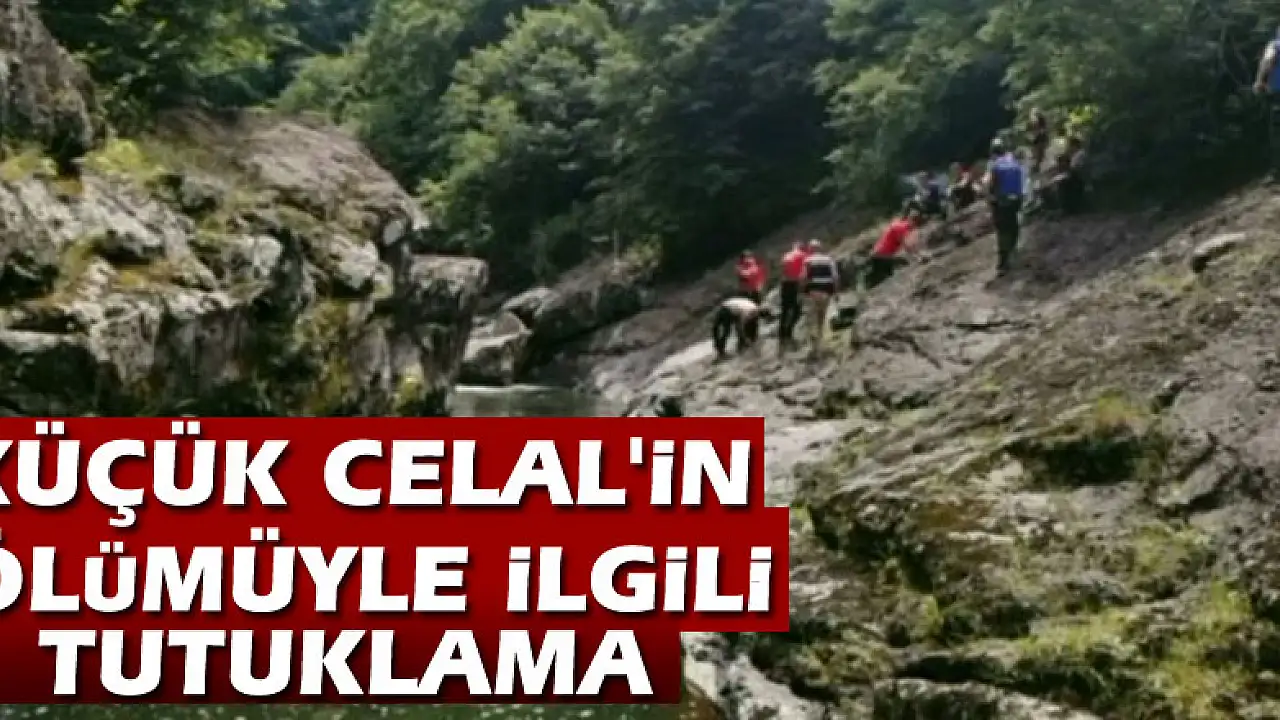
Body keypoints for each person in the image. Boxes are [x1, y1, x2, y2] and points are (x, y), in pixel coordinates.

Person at [983, 138, 1026, 277]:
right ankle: (1014, 252)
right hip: (1017, 199)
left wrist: (989, 199)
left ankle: (1003, 262)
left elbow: (987, 183)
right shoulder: (1014, 161)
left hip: (1002, 201)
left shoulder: (994, 164)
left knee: (1002, 231)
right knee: (1013, 226)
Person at [863, 209, 922, 292]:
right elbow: (906, 246)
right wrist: (918, 257)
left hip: (878, 254)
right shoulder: (902, 228)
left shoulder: (900, 224)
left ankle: (867, 287)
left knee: (882, 277)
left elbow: (910, 245)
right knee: (900, 266)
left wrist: (918, 254)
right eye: (915, 224)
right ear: (912, 221)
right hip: (882, 255)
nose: (914, 227)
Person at [801, 239, 838, 353]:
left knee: (812, 316)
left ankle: (814, 343)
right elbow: (835, 277)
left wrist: (802, 291)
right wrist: (836, 292)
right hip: (826, 290)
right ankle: (822, 339)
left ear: (810, 249)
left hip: (813, 290)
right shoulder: (829, 260)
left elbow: (804, 277)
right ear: (820, 248)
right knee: (823, 314)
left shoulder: (808, 260)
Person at [1256, 26, 1280, 181]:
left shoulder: (1275, 45)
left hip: (1278, 92)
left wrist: (1260, 81)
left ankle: (1277, 171)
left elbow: (1268, 61)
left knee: (1277, 133)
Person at [1043, 135, 1087, 214]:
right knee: (1051, 181)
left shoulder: (1080, 154)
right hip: (1071, 174)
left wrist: (1063, 170)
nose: (1069, 148)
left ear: (1074, 145)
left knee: (1056, 182)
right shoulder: (1074, 154)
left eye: (1070, 145)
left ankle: (1061, 207)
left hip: (1076, 176)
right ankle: (1055, 206)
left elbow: (1074, 168)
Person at [778, 240, 809, 347]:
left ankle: (781, 333)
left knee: (785, 309)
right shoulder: (803, 255)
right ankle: (789, 331)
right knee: (797, 310)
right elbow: (805, 271)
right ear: (802, 247)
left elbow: (782, 270)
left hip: (785, 284)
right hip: (795, 284)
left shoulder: (786, 256)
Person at [1027, 109, 1050, 173]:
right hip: (1038, 141)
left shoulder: (1041, 123)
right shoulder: (1035, 123)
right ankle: (1036, 167)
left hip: (1040, 141)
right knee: (1038, 155)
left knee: (1039, 155)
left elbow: (1042, 132)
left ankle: (1037, 167)